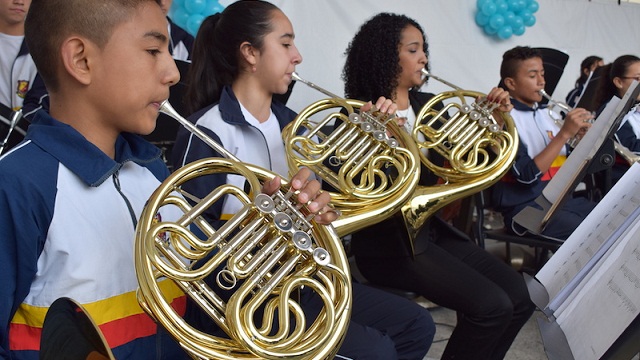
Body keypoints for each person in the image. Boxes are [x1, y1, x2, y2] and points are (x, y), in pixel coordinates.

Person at [0, 0, 330, 359]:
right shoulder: (18, 185)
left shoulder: (152, 172)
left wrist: (271, 241)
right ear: (81, 60)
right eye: (154, 50)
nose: (173, 72)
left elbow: (204, 307)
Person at [171, 2, 436, 359]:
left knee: (417, 326)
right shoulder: (208, 131)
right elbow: (181, 248)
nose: (297, 57)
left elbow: (333, 202)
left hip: (300, 279)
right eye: (285, 44)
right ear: (250, 53)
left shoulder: (293, 124)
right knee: (376, 352)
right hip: (244, 297)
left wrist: (376, 140)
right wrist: (258, 222)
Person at [341, 13, 535, 360]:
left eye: (423, 50)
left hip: (430, 232)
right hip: (388, 245)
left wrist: (492, 123)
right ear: (386, 56)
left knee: (519, 299)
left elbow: (471, 162)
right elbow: (347, 187)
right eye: (413, 49)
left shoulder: (426, 106)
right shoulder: (357, 113)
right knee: (490, 307)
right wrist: (374, 141)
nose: (424, 58)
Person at [493, 46, 598, 240]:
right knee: (595, 234)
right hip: (524, 210)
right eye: (533, 76)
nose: (542, 81)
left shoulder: (548, 114)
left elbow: (568, 167)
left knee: (616, 219)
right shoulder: (503, 120)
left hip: (561, 201)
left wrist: (580, 140)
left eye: (542, 74)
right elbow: (526, 177)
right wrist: (564, 134)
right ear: (511, 83)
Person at [592, 54, 640, 184]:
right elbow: (632, 147)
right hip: (623, 177)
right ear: (619, 82)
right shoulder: (612, 110)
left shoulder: (637, 106)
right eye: (637, 78)